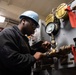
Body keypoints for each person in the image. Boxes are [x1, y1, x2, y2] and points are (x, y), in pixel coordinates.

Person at [0, 10, 51, 75]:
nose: (34, 29)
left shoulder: (24, 39)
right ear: (23, 21)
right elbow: (11, 59)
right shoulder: (8, 33)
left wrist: (42, 48)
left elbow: (30, 53)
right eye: (33, 25)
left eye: (35, 27)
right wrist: (33, 58)